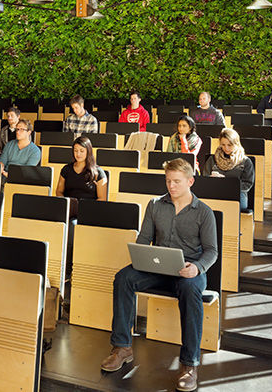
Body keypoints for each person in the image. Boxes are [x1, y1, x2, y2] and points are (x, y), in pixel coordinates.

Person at [101, 158, 217, 392]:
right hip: (158, 268)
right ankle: (122, 347)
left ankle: (189, 364)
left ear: (190, 181)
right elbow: (144, 240)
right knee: (123, 278)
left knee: (190, 289)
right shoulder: (155, 205)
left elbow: (212, 251)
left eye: (176, 181)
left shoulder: (204, 212)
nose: (171, 186)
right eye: (168, 181)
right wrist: (141, 254)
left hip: (189, 270)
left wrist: (197, 268)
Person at [202, 128, 255, 212]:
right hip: (216, 191)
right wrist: (212, 178)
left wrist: (229, 184)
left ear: (236, 143)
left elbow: (248, 183)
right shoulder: (213, 159)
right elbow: (205, 178)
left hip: (237, 194)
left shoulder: (245, 161)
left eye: (229, 145)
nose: (226, 148)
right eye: (223, 145)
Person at [55, 136, 108, 203]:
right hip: (69, 209)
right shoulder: (66, 169)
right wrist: (66, 205)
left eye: (82, 151)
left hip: (89, 210)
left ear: (88, 151)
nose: (78, 154)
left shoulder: (98, 172)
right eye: (75, 151)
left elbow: (102, 198)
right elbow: (59, 192)